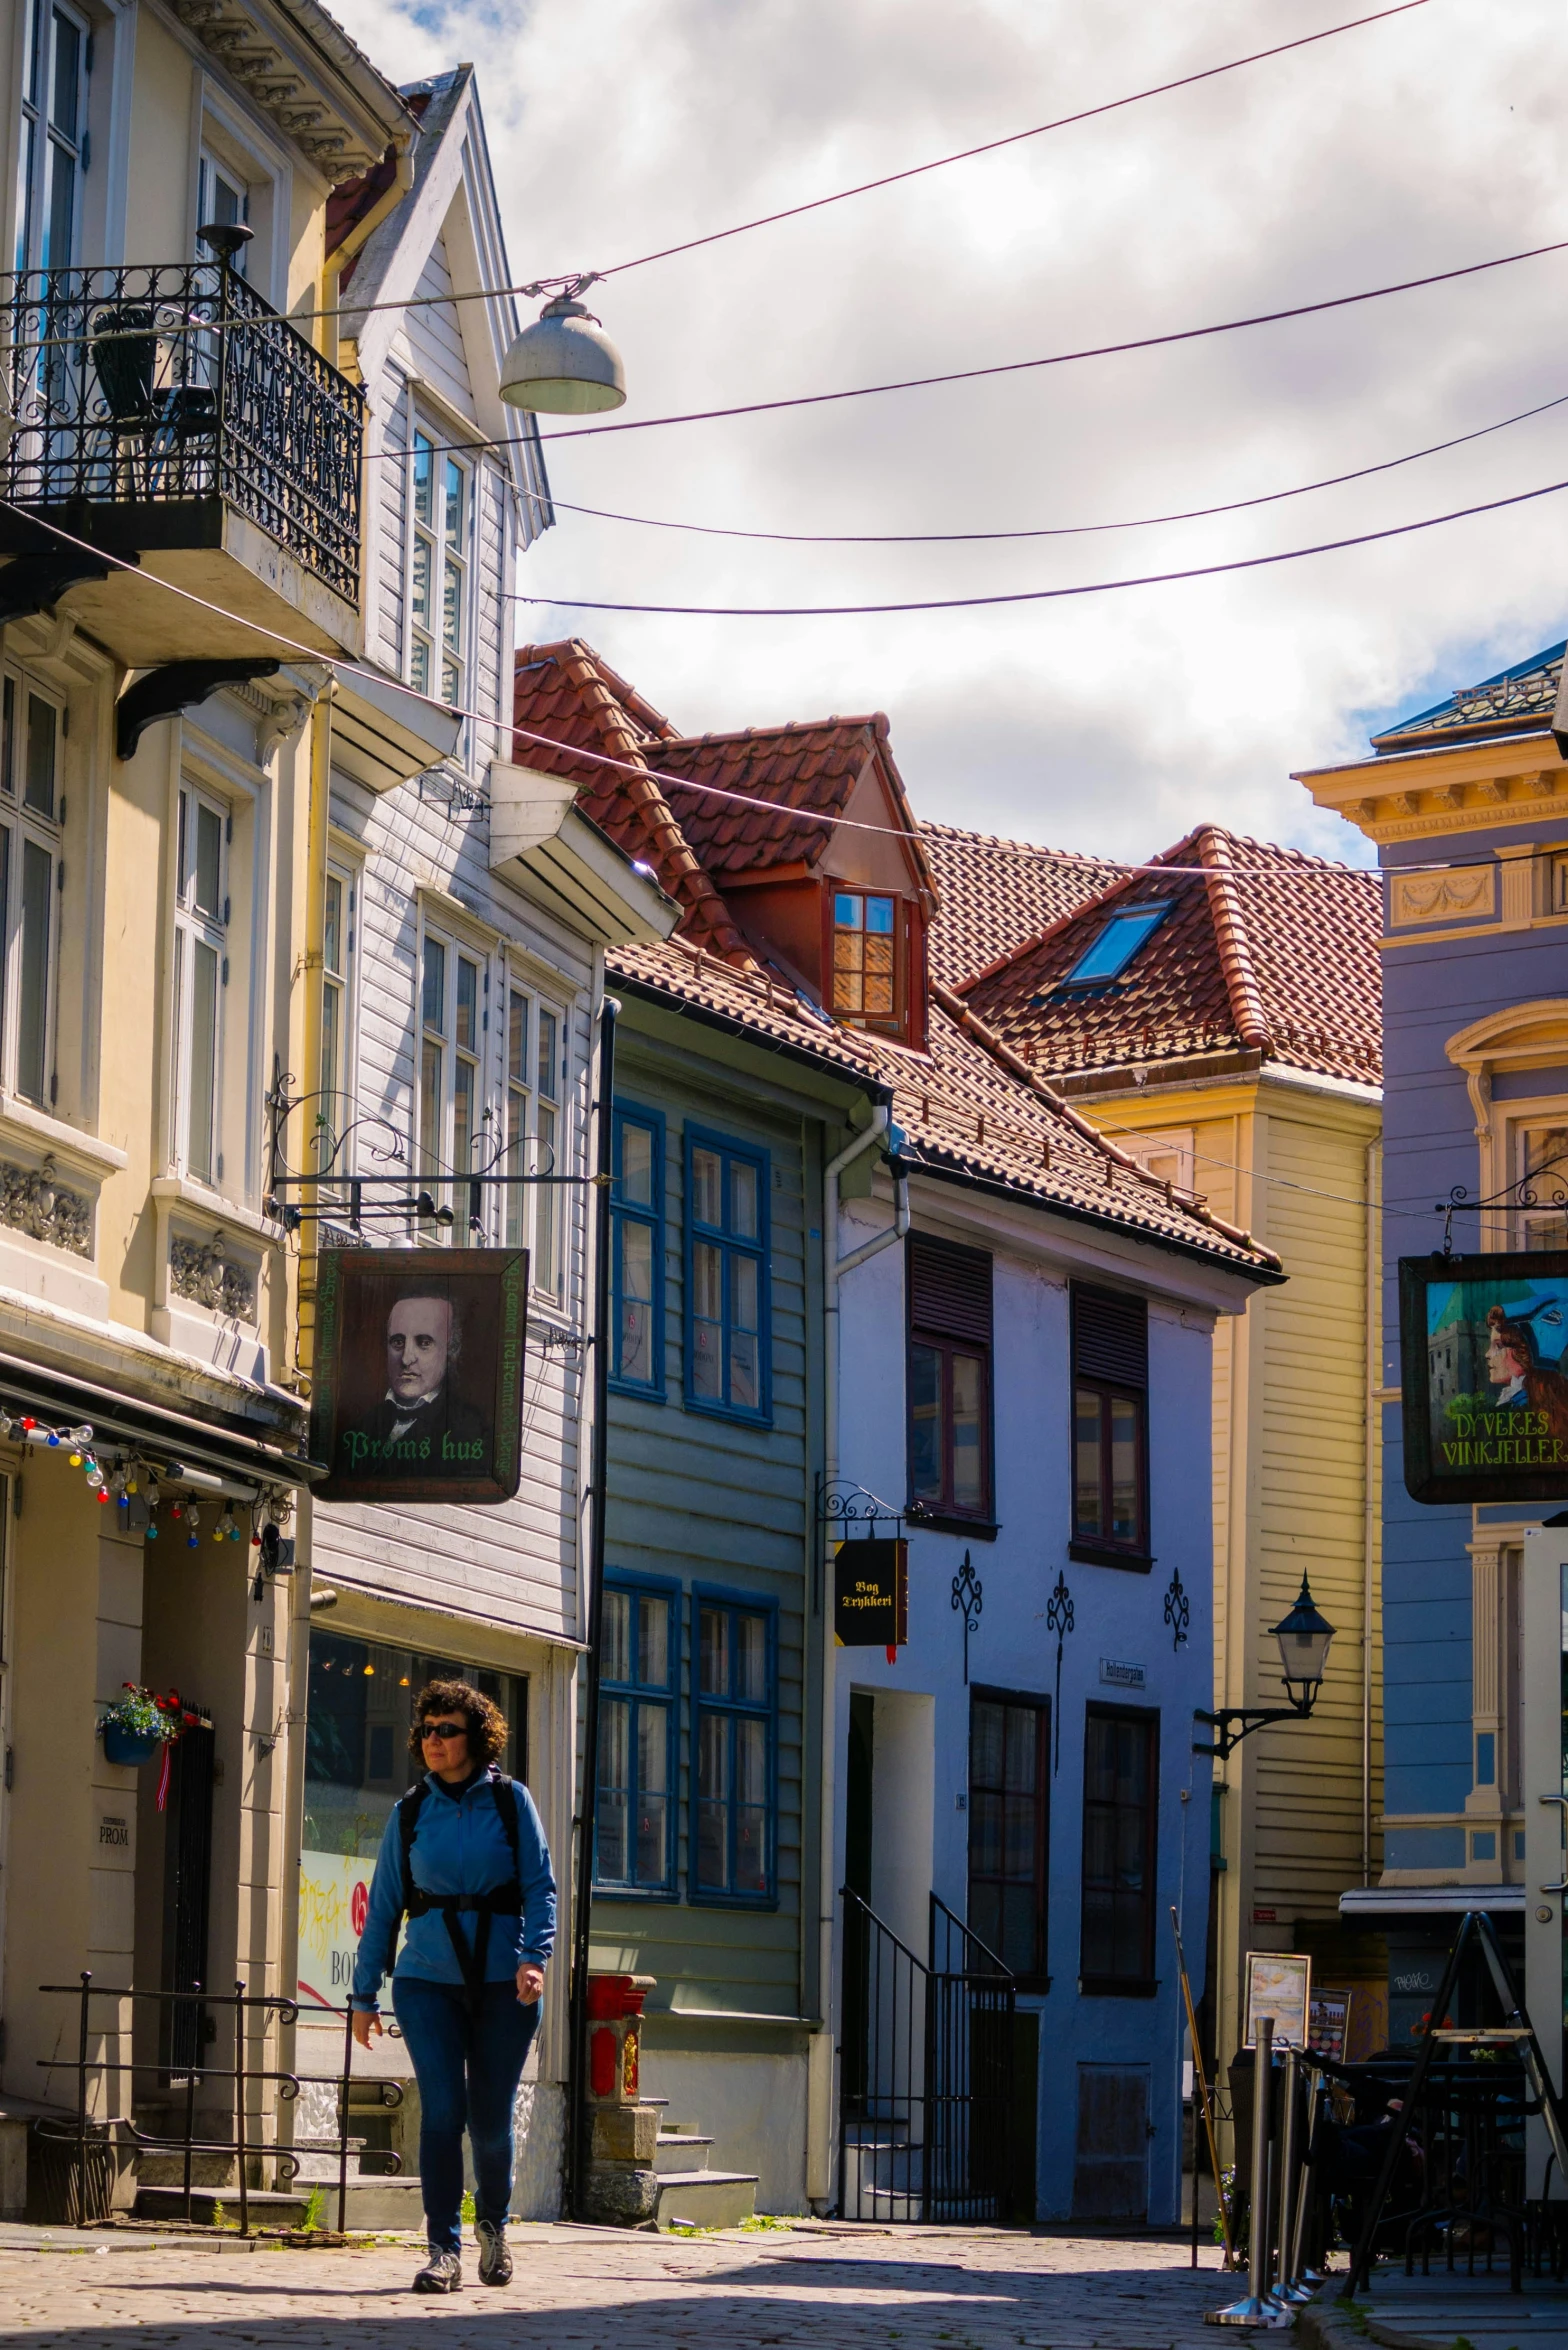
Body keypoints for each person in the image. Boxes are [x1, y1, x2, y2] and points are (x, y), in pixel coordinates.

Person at [350, 1680, 555, 2293]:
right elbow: (383, 1906)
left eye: (447, 1729)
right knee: (442, 2112)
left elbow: (540, 1887)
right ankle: (443, 2248)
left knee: (491, 2121)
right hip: (426, 1980)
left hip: (505, 1984)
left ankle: (493, 2224)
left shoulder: (511, 1802)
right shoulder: (409, 1811)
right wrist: (362, 1997)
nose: (433, 1740)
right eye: (427, 1730)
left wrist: (534, 1957)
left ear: (477, 1737)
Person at [340, 1295, 489, 1480]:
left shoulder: (471, 1431)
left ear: (452, 1349)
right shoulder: (359, 1428)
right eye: (398, 1342)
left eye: (424, 1343)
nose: (406, 1359)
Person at [1485, 1303, 1568, 1448]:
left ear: (1523, 1354)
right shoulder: (1518, 1404)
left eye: (1498, 1346)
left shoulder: (1521, 1411)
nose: (1487, 1354)